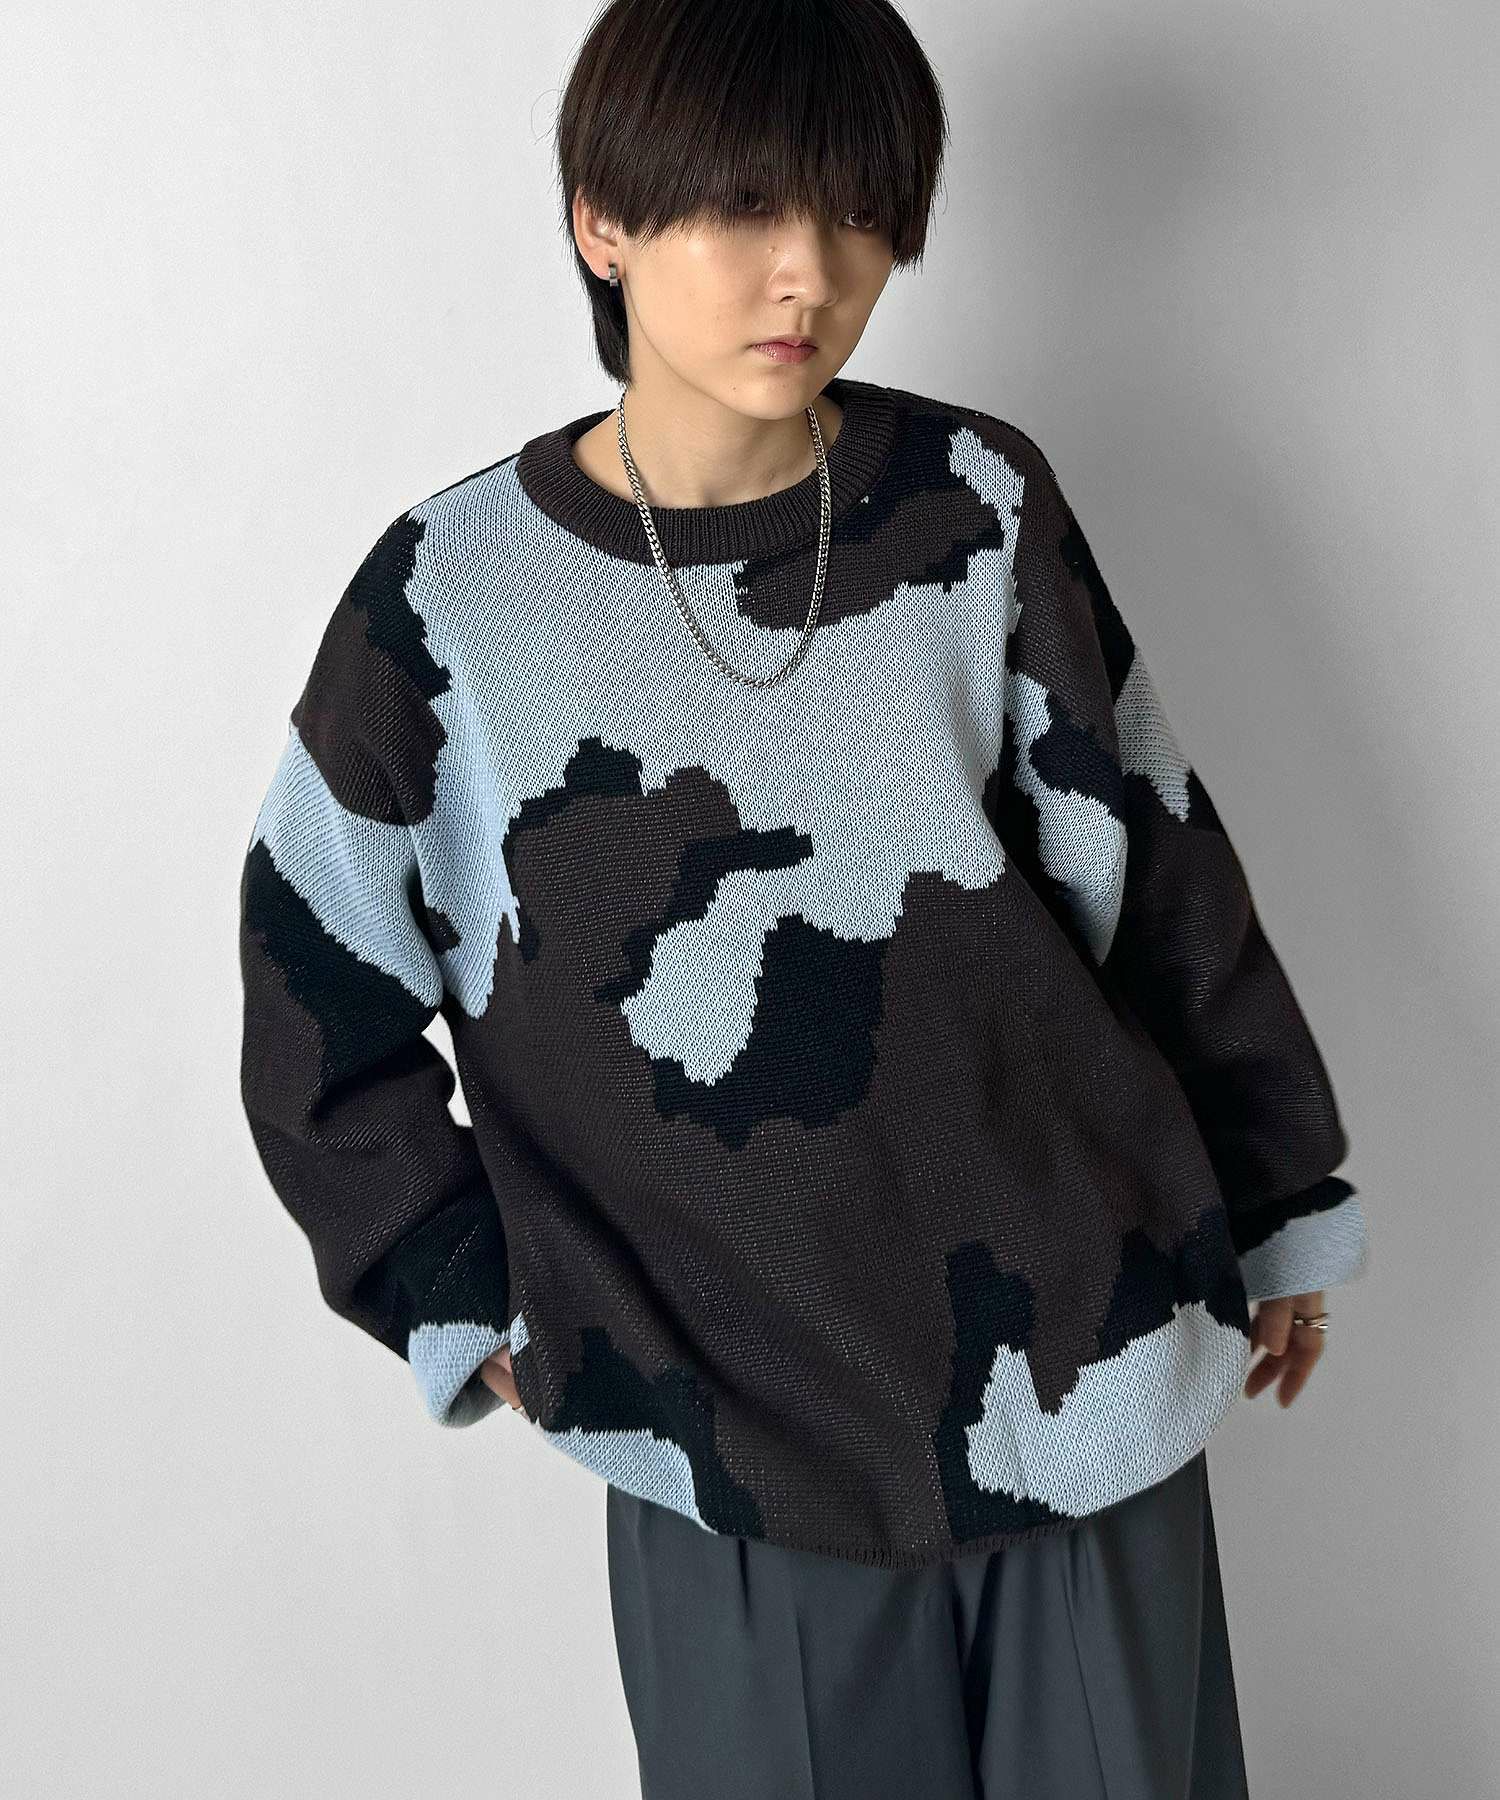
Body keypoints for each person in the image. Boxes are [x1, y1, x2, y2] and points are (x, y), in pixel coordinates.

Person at [236, 1, 1370, 1794]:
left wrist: (1281, 1194)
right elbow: (318, 991)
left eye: (855, 213)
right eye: (745, 206)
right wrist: (462, 1292)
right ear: (604, 221)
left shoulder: (977, 503)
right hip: (727, 1440)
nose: (812, 274)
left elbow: (1153, 868)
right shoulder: (447, 605)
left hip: (1086, 1370)